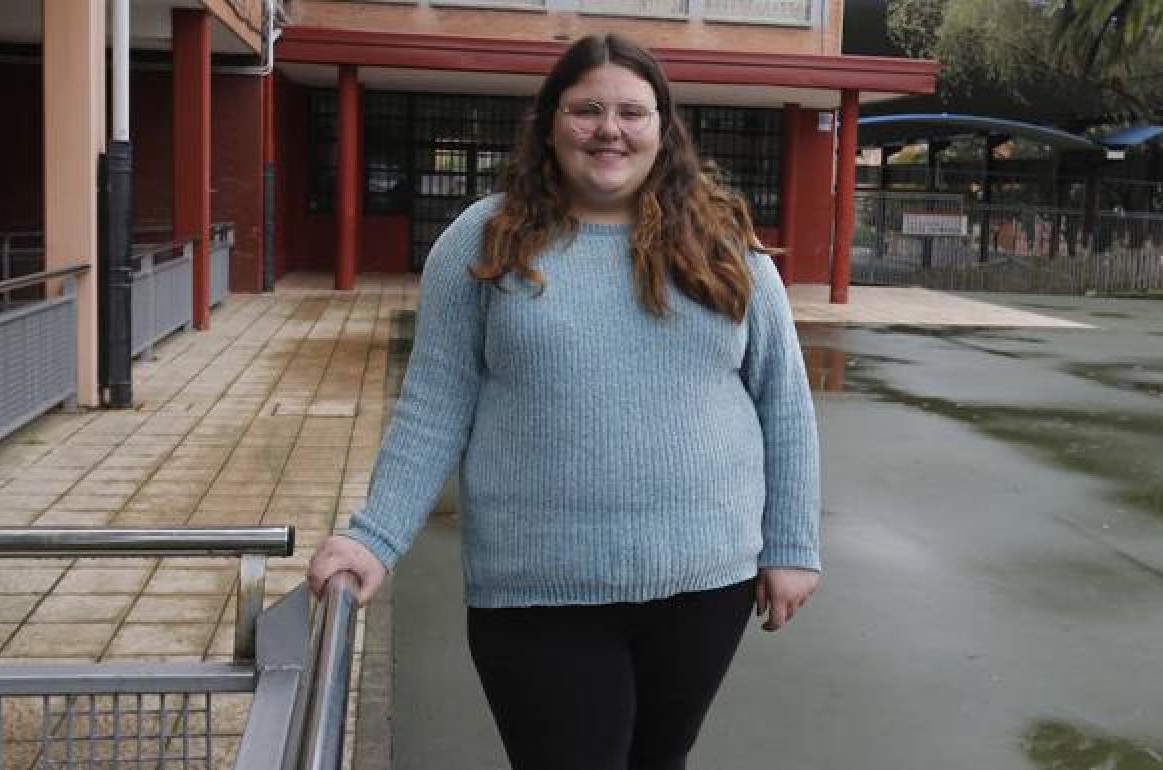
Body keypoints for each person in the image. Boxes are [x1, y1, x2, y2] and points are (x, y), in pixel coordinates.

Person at [306, 33, 821, 770]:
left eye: (631, 112)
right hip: (536, 591)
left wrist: (792, 544)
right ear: (550, 123)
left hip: (704, 582)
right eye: (587, 110)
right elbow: (433, 406)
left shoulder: (724, 245)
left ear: (663, 128)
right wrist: (374, 536)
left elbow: (783, 401)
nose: (609, 129)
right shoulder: (483, 242)